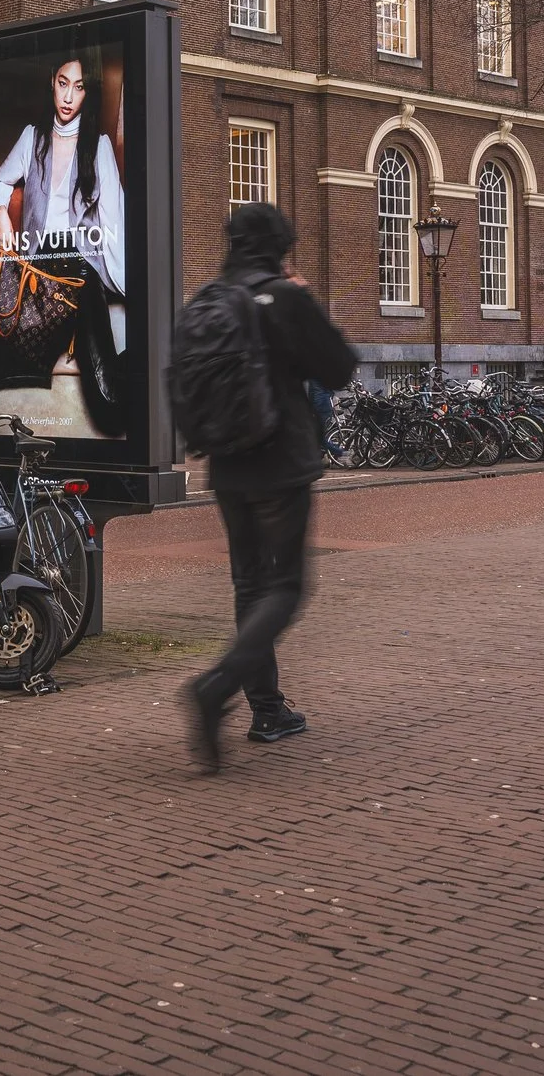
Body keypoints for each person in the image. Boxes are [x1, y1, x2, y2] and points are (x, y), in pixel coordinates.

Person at [183, 201, 357, 773]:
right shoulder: (283, 297)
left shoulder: (209, 298)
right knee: (286, 587)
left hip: (228, 464)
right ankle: (218, 687)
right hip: (280, 462)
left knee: (250, 584)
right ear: (279, 245)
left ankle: (268, 709)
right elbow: (338, 368)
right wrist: (302, 303)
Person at [0, 53, 132, 435]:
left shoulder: (97, 145)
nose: (68, 96)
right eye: (64, 83)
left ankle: (114, 404)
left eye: (79, 87)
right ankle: (117, 402)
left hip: (81, 255)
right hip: (40, 257)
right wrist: (2, 213)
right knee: (78, 285)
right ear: (52, 81)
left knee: (85, 283)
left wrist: (127, 283)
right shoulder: (33, 138)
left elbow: (113, 214)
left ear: (87, 94)